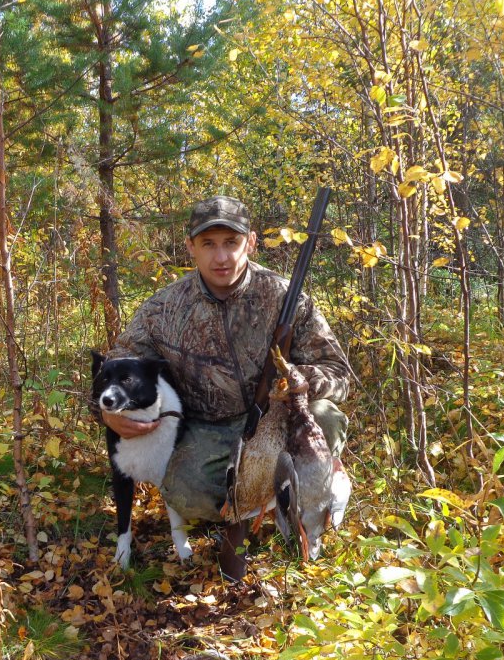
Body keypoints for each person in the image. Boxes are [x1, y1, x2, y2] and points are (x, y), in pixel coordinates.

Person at [99, 195, 351, 578]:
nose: (222, 257)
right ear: (191, 248)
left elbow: (338, 372)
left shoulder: (285, 297)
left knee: (326, 417)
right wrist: (106, 413)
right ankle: (264, 500)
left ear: (250, 242)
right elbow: (116, 364)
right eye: (209, 244)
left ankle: (295, 497)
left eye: (231, 243)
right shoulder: (163, 308)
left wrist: (300, 381)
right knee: (184, 493)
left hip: (281, 418)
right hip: (208, 427)